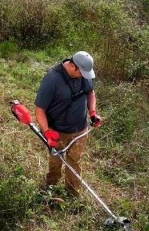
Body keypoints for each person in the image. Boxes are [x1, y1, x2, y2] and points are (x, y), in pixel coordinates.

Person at [34, 51, 102, 198]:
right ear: (72, 66)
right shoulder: (52, 80)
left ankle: (72, 192)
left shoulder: (85, 76)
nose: (84, 76)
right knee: (56, 159)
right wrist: (47, 132)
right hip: (57, 131)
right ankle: (50, 186)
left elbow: (90, 93)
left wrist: (93, 113)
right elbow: (40, 110)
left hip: (80, 129)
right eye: (81, 73)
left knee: (75, 161)